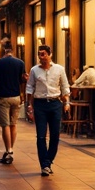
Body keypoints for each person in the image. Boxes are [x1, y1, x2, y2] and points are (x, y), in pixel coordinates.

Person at [25, 44, 70, 176]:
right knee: (41, 135)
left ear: (50, 55)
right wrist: (29, 106)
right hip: (40, 105)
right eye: (39, 54)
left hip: (55, 103)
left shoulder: (59, 69)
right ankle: (44, 165)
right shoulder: (34, 70)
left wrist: (67, 102)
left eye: (43, 54)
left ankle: (48, 160)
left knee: (55, 135)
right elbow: (29, 88)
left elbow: (64, 86)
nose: (41, 57)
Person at [0, 38, 26, 165]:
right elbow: (22, 80)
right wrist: (22, 96)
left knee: (5, 125)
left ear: (2, 49)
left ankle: (9, 150)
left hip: (3, 97)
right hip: (16, 97)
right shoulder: (20, 63)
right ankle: (11, 149)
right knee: (13, 124)